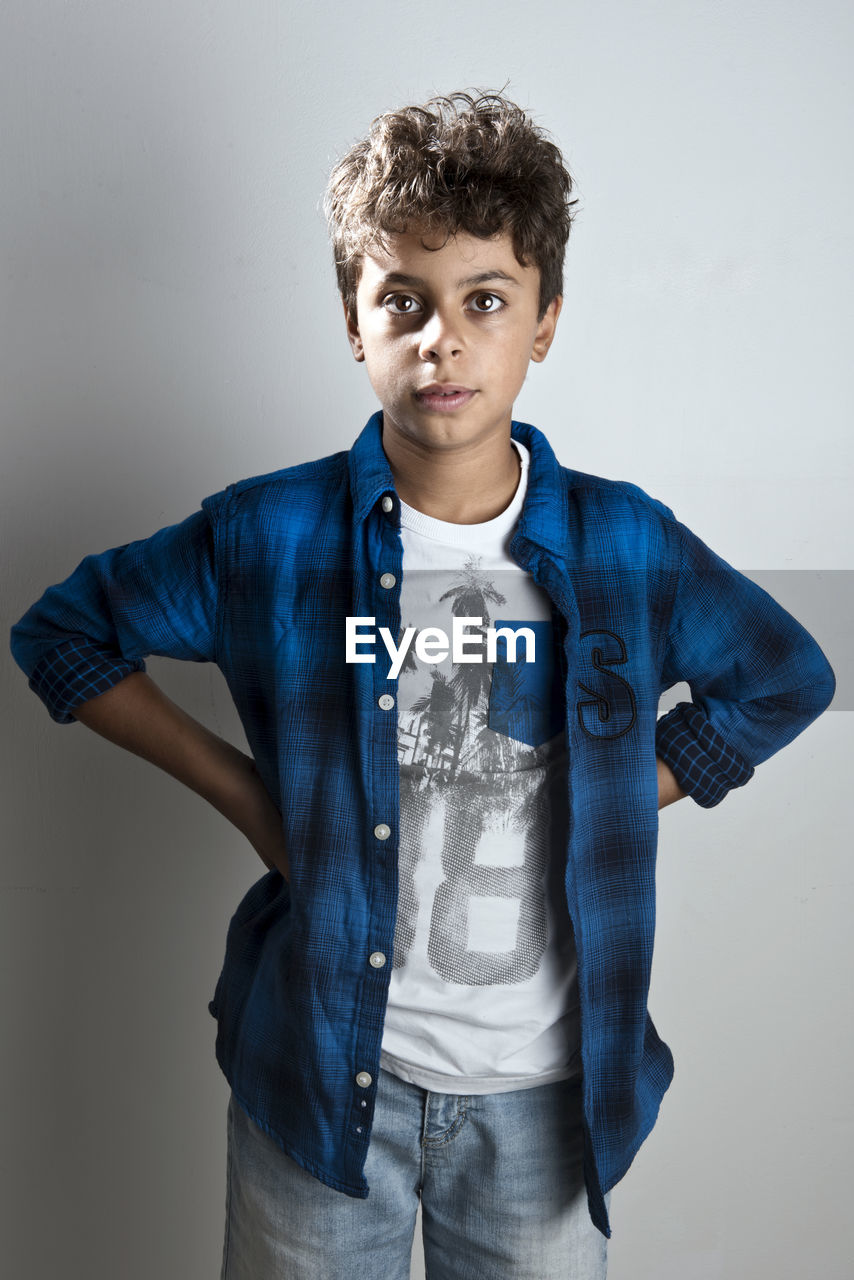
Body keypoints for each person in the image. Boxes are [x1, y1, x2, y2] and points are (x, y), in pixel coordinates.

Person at [9, 89, 836, 1280]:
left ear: (543, 322)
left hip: (544, 1108)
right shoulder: (272, 537)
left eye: (483, 302)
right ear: (354, 323)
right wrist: (253, 802)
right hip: (324, 1082)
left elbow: (785, 675)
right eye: (403, 301)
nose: (440, 340)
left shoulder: (623, 545)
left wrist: (626, 789)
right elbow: (64, 630)